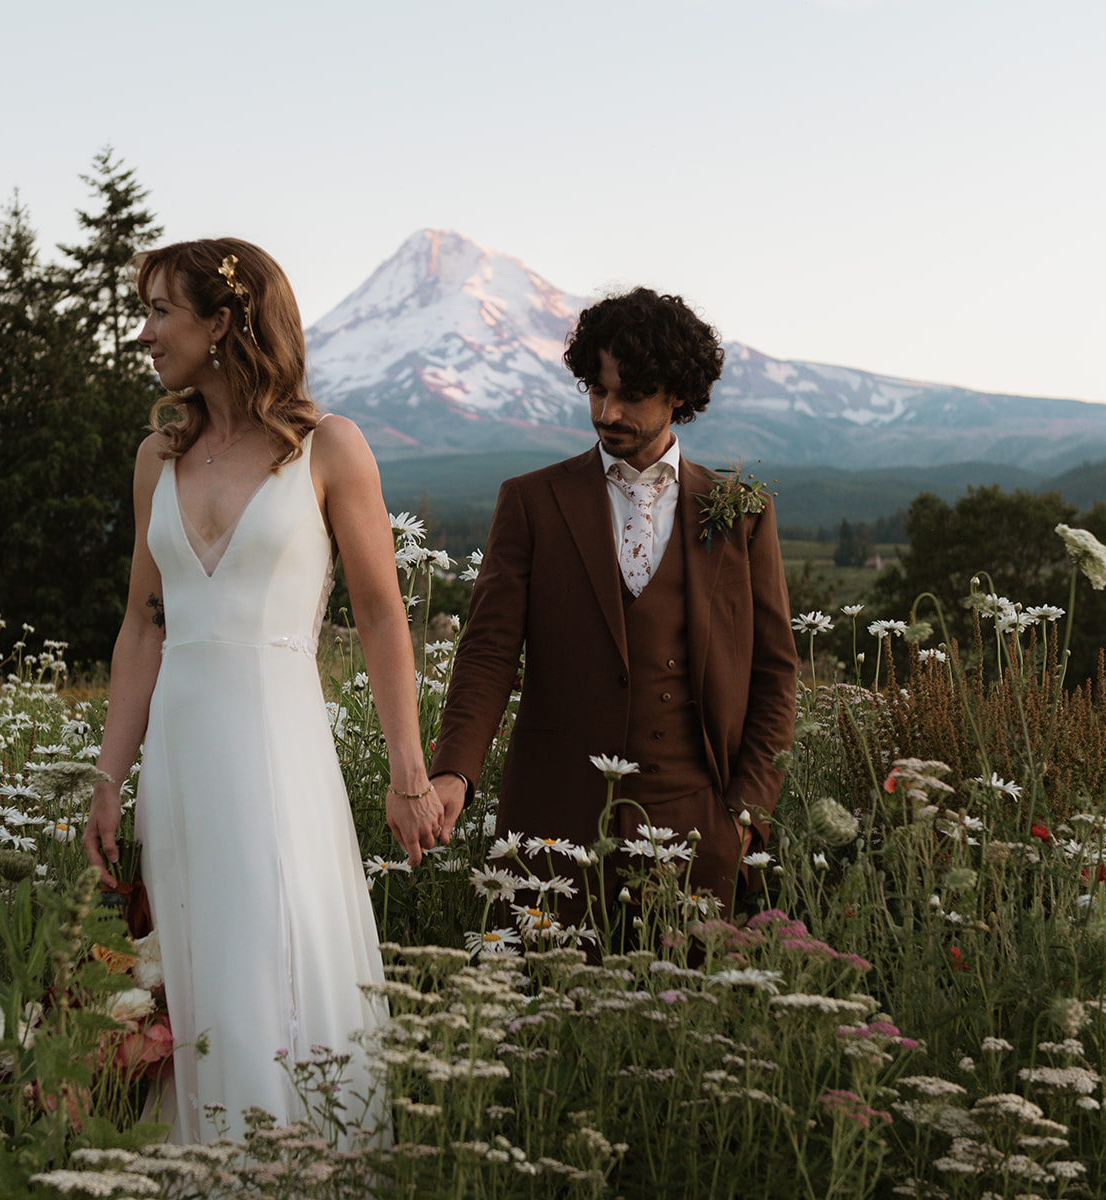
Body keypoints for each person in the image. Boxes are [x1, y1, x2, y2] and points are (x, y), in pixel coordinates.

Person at [81, 237, 441, 1144]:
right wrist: (107, 777)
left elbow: (382, 615)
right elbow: (143, 625)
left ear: (225, 320)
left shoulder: (329, 448)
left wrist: (409, 772)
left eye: (162, 311)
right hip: (177, 760)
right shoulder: (154, 459)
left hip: (277, 749)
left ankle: (294, 1157)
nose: (145, 333)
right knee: (192, 974)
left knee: (271, 957)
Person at [428, 287, 798, 928]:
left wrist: (744, 818)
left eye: (631, 394)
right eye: (597, 391)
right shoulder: (531, 502)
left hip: (695, 835)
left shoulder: (743, 513)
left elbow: (774, 674)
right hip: (551, 831)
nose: (608, 410)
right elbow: (487, 652)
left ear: (678, 393)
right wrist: (453, 773)